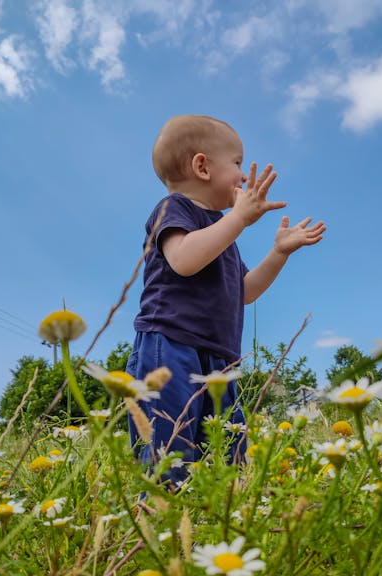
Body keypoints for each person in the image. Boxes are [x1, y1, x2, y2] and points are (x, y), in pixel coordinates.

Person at [126, 114, 326, 484]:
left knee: (228, 450)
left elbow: (245, 291)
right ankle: (162, 518)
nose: (244, 178)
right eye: (237, 163)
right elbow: (183, 260)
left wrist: (278, 253)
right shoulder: (175, 209)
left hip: (219, 357)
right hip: (170, 346)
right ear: (202, 166)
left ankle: (221, 517)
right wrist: (238, 218)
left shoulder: (222, 232)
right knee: (168, 447)